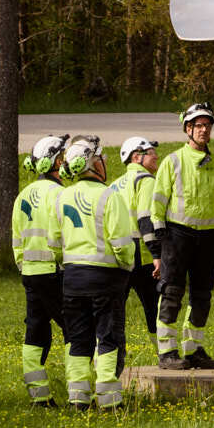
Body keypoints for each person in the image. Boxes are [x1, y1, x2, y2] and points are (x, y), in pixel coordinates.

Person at [57, 134, 137, 411]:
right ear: (92, 162)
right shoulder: (109, 196)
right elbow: (122, 243)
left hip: (72, 279)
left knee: (78, 339)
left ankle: (77, 398)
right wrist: (127, 267)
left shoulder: (62, 196)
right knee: (107, 337)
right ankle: (108, 399)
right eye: (101, 158)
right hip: (105, 279)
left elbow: (55, 242)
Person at [148, 98, 214, 368]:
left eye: (207, 125)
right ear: (187, 129)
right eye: (198, 125)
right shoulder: (173, 161)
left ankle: (193, 350)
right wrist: (159, 231)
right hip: (177, 236)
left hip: (208, 238)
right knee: (171, 292)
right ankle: (167, 352)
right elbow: (158, 200)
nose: (204, 130)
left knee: (202, 296)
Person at [10, 131, 69, 405]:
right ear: (54, 162)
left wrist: (24, 266)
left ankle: (39, 396)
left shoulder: (22, 196)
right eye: (63, 156)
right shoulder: (60, 194)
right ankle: (80, 393)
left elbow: (16, 240)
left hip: (30, 275)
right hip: (55, 273)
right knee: (75, 330)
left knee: (36, 332)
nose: (66, 161)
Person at [108, 134, 160, 372]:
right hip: (141, 255)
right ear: (136, 157)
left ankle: (112, 364)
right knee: (154, 308)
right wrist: (157, 254)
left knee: (115, 312)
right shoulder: (145, 180)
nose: (156, 156)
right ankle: (165, 356)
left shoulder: (113, 185)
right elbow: (146, 219)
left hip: (116, 255)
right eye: (150, 152)